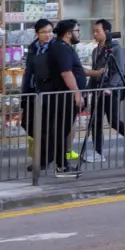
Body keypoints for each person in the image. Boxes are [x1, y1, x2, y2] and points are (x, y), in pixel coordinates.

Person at [88, 18, 125, 163]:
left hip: (113, 90)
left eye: (98, 31)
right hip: (99, 89)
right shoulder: (96, 51)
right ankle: (98, 152)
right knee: (95, 121)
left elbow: (119, 70)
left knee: (113, 121)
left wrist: (109, 88)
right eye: (94, 31)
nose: (95, 34)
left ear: (107, 32)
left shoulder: (116, 49)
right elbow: (95, 71)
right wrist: (88, 89)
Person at [45, 18, 88, 174]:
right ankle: (62, 165)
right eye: (77, 30)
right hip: (65, 97)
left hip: (67, 95)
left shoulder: (64, 47)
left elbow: (74, 69)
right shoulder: (61, 48)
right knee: (62, 131)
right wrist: (76, 93)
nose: (79, 33)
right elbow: (66, 72)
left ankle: (62, 164)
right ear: (69, 33)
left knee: (63, 130)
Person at [20, 18, 55, 166]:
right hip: (32, 91)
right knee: (27, 123)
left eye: (50, 31)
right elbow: (28, 70)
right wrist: (24, 91)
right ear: (37, 34)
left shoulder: (55, 47)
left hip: (48, 92)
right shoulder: (33, 47)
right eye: (44, 32)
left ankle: (45, 158)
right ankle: (45, 152)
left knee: (46, 126)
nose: (47, 35)